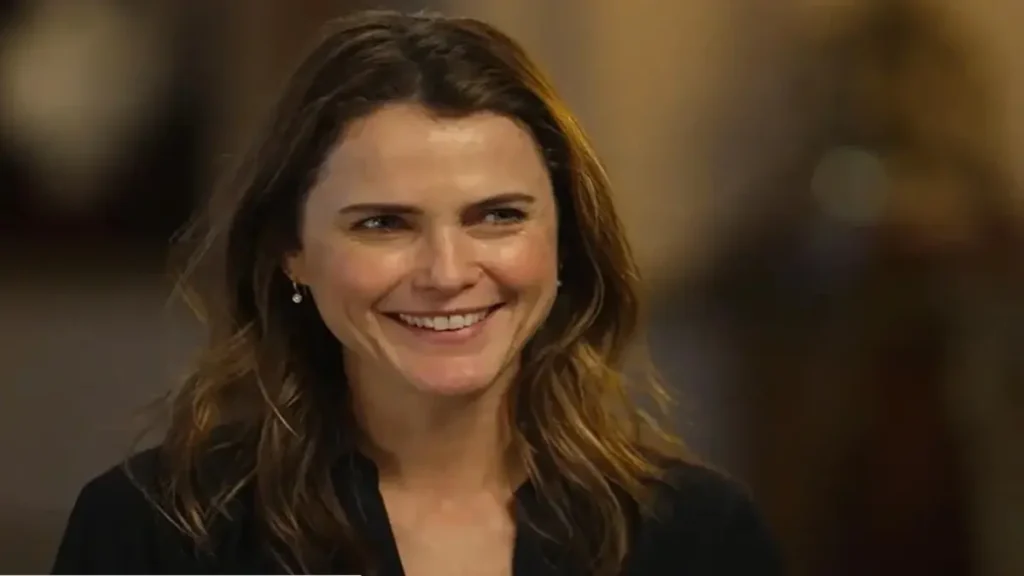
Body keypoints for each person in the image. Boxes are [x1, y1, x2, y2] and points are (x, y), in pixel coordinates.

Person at [51, 10, 782, 576]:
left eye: (498, 216)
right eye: (384, 223)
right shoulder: (154, 532)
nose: (446, 271)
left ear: (563, 240)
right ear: (291, 255)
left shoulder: (696, 536)